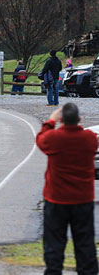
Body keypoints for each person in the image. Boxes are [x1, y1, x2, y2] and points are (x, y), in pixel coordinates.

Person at [36, 103, 98, 275]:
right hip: (83, 200)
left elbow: (40, 139)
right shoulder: (89, 138)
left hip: (56, 199)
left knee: (54, 244)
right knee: (85, 243)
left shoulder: (54, 138)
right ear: (79, 119)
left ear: (61, 120)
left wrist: (50, 121)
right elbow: (89, 141)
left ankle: (54, 271)